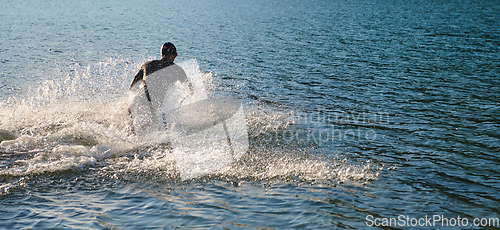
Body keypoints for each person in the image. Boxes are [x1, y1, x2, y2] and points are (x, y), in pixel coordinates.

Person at [128, 42, 193, 134]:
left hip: (136, 101)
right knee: (154, 134)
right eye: (175, 54)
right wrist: (182, 100)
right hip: (152, 106)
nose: (175, 57)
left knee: (130, 133)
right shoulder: (177, 70)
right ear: (172, 55)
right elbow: (190, 90)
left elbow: (132, 88)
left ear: (162, 54)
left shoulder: (146, 65)